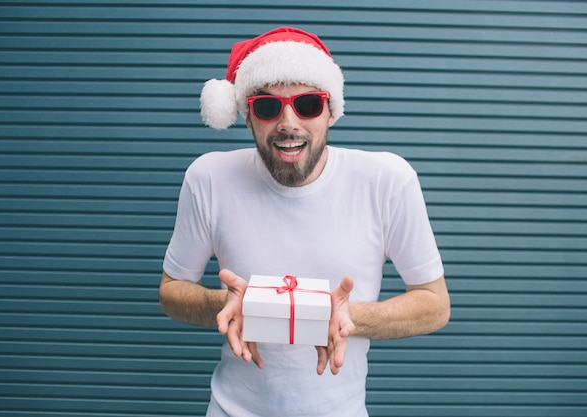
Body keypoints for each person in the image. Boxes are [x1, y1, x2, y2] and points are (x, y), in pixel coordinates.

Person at [159, 26, 450, 417]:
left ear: (331, 112)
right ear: (247, 116)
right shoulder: (208, 177)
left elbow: (435, 305)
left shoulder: (387, 180)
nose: (288, 122)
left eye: (308, 104)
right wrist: (222, 304)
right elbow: (171, 291)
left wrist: (347, 316)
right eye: (267, 107)